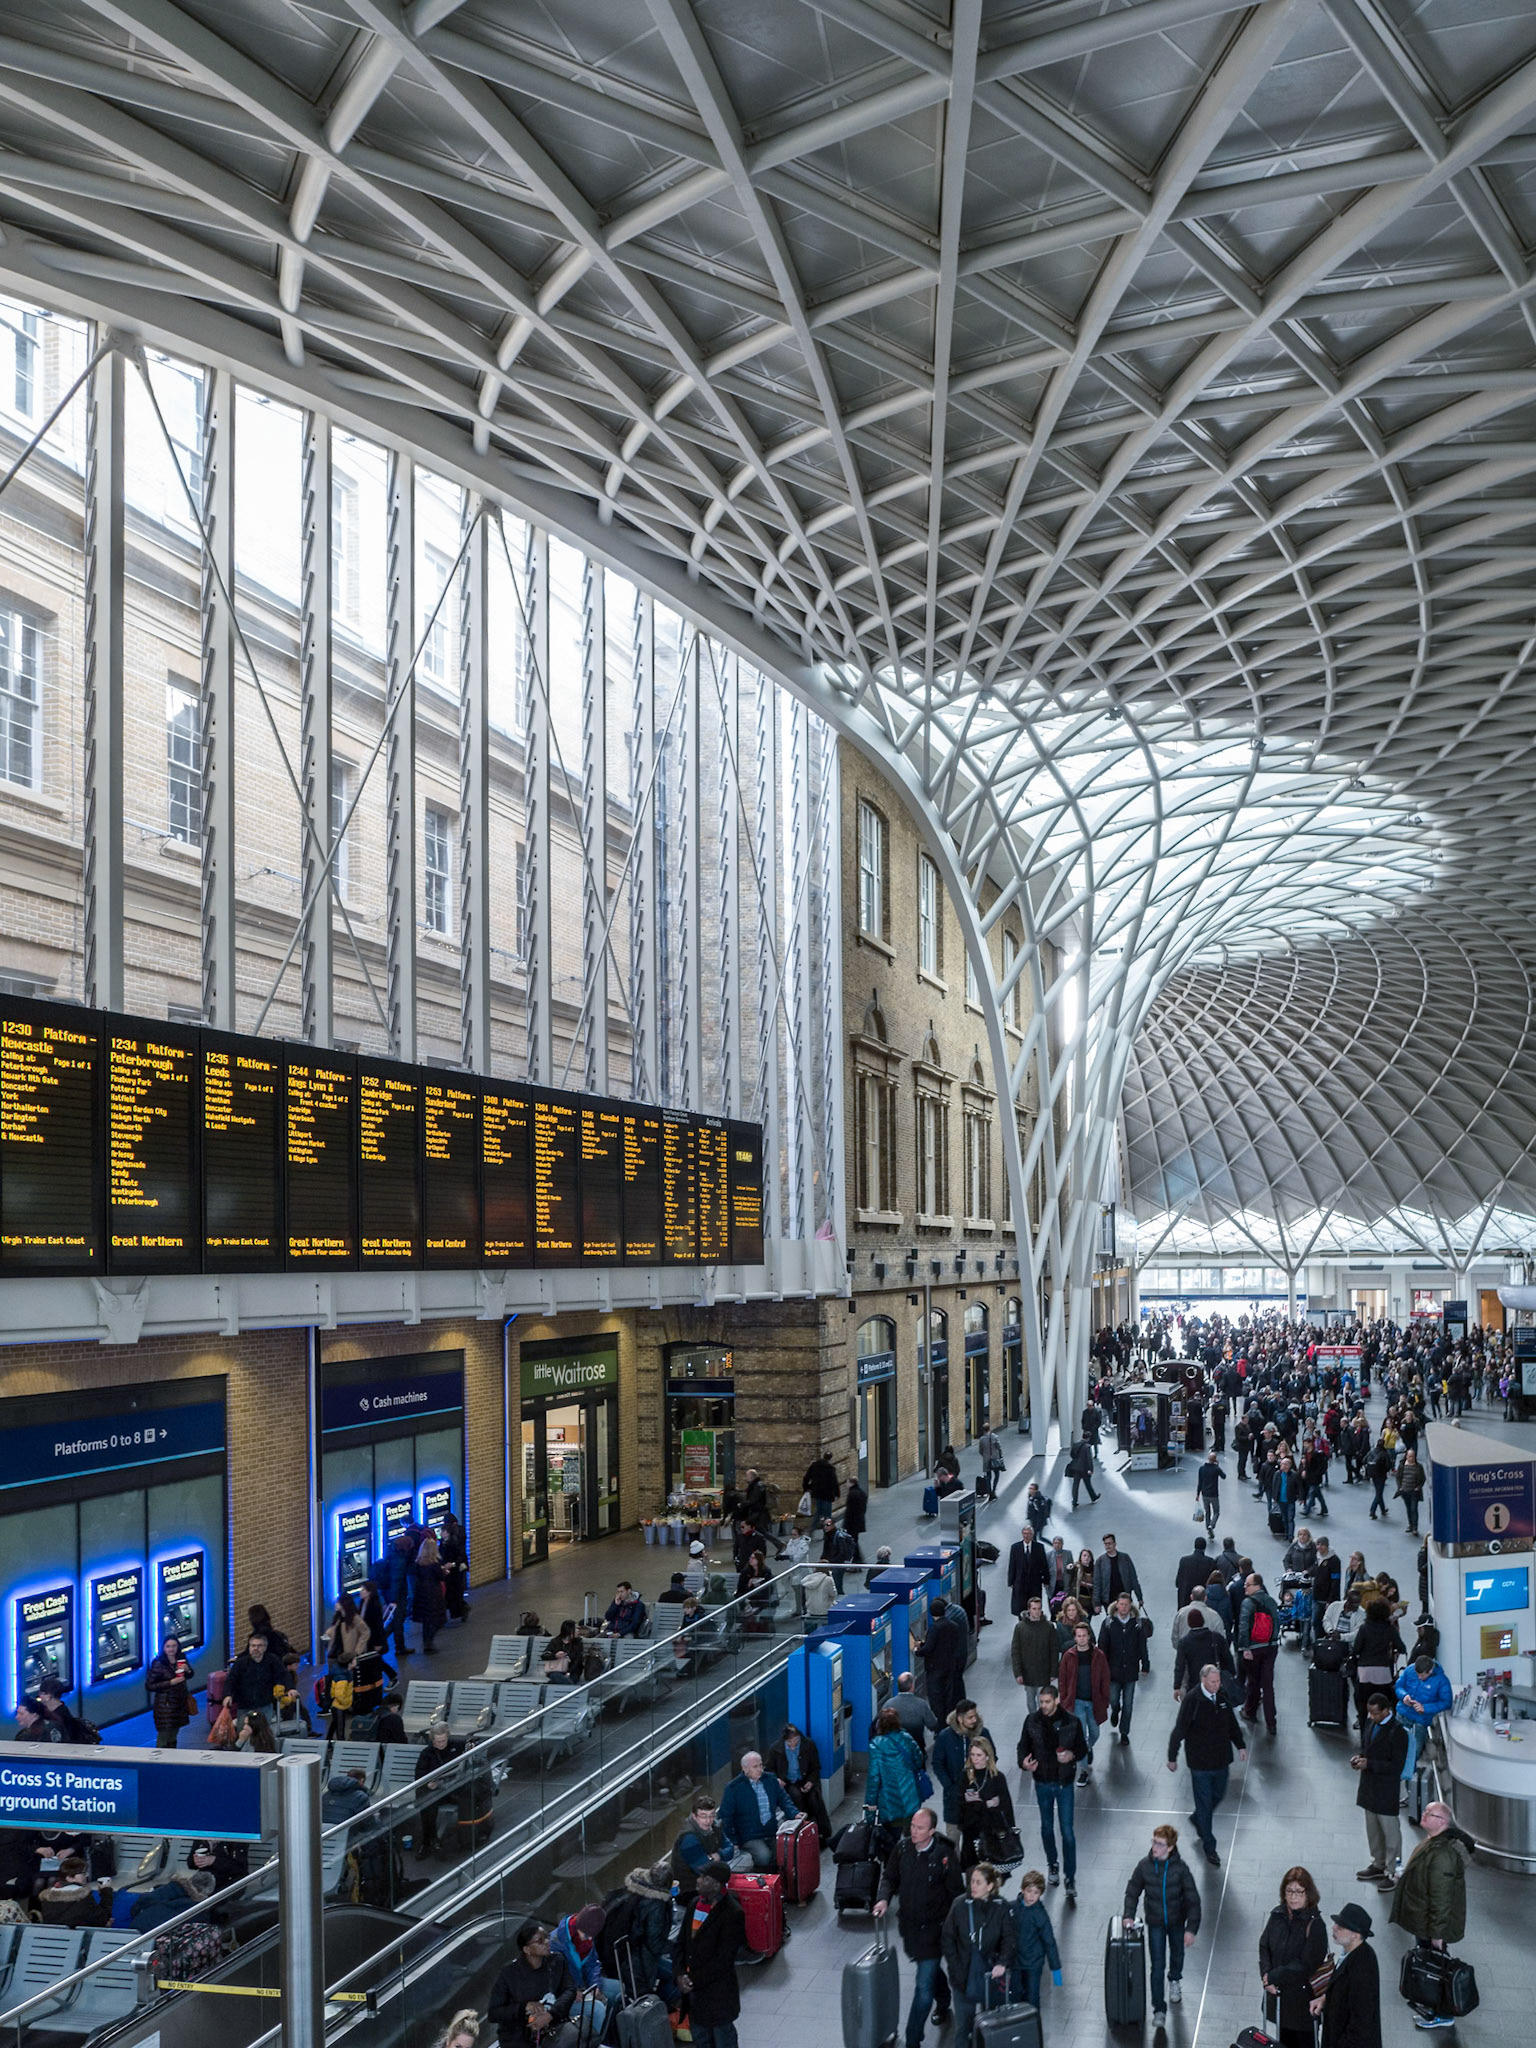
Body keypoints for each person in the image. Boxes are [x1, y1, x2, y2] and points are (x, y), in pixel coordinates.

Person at [874, 1808, 963, 2048]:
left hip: (935, 1931)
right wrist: (883, 1898)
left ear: (932, 1831)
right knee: (931, 1971)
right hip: (911, 1928)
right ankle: (944, 1999)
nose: (914, 1831)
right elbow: (890, 1877)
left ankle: (913, 2039)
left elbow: (957, 1894)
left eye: (920, 1828)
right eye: (913, 1825)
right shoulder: (902, 1849)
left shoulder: (944, 1856)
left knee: (923, 1988)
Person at [1388, 1802, 1472, 2021]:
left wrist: (1437, 1934)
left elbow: (1441, 1899)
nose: (1423, 1815)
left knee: (1438, 1968)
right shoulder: (1434, 1843)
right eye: (1425, 1811)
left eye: (1429, 1813)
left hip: (1431, 1924)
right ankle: (1435, 2007)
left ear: (1442, 1822)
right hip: (1424, 1919)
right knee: (1432, 1963)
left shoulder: (1443, 1854)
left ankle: (1443, 2013)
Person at [1166, 1662, 1247, 1867]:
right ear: (1203, 1680)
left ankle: (1198, 1818)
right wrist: (1172, 1756)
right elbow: (1180, 1728)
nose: (1217, 1685)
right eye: (1213, 1682)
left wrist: (1240, 1745)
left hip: (1221, 1760)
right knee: (1204, 1804)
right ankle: (1209, 1846)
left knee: (1218, 1795)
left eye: (1218, 1681)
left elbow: (1231, 1722)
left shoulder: (1222, 1696)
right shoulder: (1192, 1700)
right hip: (1200, 1764)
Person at [1123, 1824, 1201, 2025]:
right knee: (1157, 1965)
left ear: (1171, 1847)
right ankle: (1159, 2009)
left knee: (1177, 1955)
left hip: (1176, 1922)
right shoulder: (1144, 1866)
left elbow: (1193, 1900)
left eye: (1160, 1843)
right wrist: (1128, 1915)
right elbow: (1133, 1890)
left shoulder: (1181, 1870)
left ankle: (1175, 1978)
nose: (1155, 1847)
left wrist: (1191, 1928)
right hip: (1155, 1923)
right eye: (1154, 1842)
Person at [1017, 1681, 1086, 1899]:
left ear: (1057, 1700)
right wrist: (1023, 1762)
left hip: (1064, 1783)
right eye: (1041, 1702)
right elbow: (1023, 1746)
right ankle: (1052, 1864)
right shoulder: (1032, 1721)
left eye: (1047, 1702)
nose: (1043, 1706)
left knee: (1067, 1832)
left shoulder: (1071, 1723)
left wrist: (1071, 1756)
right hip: (1042, 1782)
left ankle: (1070, 1877)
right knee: (1046, 1827)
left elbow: (1082, 1748)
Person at [941, 1862, 1015, 2044]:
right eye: (972, 1881)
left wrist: (1002, 1962)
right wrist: (955, 1967)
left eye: (978, 1882)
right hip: (962, 1976)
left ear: (990, 1886)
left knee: (991, 2025)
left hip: (990, 1975)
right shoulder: (959, 1905)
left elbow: (1010, 1939)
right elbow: (947, 1938)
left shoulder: (1001, 1907)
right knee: (963, 2026)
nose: (973, 1886)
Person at [674, 1861, 745, 2048]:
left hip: (717, 1995)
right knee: (701, 2039)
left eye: (704, 1878)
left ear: (717, 1884)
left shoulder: (732, 1913)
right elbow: (681, 1943)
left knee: (723, 2039)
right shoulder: (693, 1905)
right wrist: (680, 1974)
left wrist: (692, 1981)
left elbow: (724, 1960)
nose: (698, 1881)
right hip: (694, 1995)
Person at [1260, 1867, 1329, 2048]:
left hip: (1302, 2003)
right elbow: (1264, 1946)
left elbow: (1306, 1964)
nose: (1293, 1897)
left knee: (1304, 2042)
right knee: (1282, 2040)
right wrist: (1267, 1976)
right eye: (1289, 1891)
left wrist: (1274, 1976)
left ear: (1308, 1894)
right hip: (1280, 1998)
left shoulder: (1315, 1925)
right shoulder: (1277, 1915)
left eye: (1299, 1891)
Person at [487, 1919, 578, 2048]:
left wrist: (550, 2014)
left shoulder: (557, 1960)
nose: (547, 1942)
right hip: (519, 2036)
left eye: (546, 1937)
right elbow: (494, 2013)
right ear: (527, 1949)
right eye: (540, 1941)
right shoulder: (508, 1974)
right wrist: (524, 2007)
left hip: (553, 2027)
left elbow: (570, 1990)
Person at [1350, 1692, 1408, 1891]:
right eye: (1369, 1713)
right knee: (1373, 1830)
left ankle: (1394, 1871)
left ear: (1386, 1710)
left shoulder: (1397, 1731)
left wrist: (1370, 1764)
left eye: (1375, 1713)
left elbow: (1396, 1766)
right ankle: (1379, 1863)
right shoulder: (1371, 1723)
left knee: (1392, 1835)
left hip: (1386, 1790)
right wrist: (1359, 1758)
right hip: (1369, 1788)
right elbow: (1367, 1749)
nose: (1371, 1717)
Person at [1311, 1903, 1382, 2048]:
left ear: (1356, 1935)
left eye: (1341, 1927)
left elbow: (1361, 2023)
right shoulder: (1353, 1953)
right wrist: (1325, 1999)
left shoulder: (1362, 1969)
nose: (1334, 1927)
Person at [550, 1906, 622, 2040]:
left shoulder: (585, 1939)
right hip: (564, 1995)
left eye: (591, 1936)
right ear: (578, 1926)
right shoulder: (556, 1943)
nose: (588, 1939)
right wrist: (572, 1992)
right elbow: (553, 1981)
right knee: (597, 2009)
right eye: (586, 1935)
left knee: (618, 1989)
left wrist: (595, 1985)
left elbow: (593, 1964)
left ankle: (606, 2035)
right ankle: (589, 2041)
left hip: (583, 1986)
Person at [718, 1751, 796, 1869]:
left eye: (761, 1765)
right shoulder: (733, 1788)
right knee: (764, 1856)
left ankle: (779, 1881)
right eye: (755, 1766)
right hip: (749, 1835)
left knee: (785, 1852)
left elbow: (783, 1799)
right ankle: (765, 1880)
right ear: (745, 1769)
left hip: (771, 1830)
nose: (760, 1769)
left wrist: (794, 1814)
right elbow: (726, 1817)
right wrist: (732, 1842)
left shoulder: (770, 1779)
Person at [1055, 1621, 1109, 1784]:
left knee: (1095, 1733)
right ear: (1075, 1637)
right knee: (1080, 1736)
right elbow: (1062, 1680)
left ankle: (1085, 1749)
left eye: (1084, 1636)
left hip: (1094, 1702)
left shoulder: (1098, 1655)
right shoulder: (1068, 1656)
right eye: (1078, 1636)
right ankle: (1083, 1771)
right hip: (1076, 1702)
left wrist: (1105, 1699)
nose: (1082, 1639)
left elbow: (1105, 1678)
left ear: (1089, 1637)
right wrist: (1064, 1700)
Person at [932, 1701, 989, 1846]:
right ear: (959, 1718)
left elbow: (992, 1757)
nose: (974, 1720)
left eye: (975, 1716)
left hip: (977, 1799)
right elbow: (937, 1763)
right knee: (952, 1842)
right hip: (954, 1801)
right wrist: (949, 1785)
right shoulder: (945, 1737)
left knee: (976, 1845)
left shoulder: (983, 1734)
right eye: (970, 1717)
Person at [766, 1720, 832, 1842]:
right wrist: (777, 1779)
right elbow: (769, 1769)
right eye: (789, 1742)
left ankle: (823, 1832)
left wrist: (811, 1781)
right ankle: (804, 1830)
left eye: (796, 1741)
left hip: (805, 1779)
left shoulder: (808, 1745)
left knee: (814, 1799)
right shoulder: (775, 1749)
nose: (793, 1745)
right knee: (796, 1797)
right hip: (788, 1782)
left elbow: (815, 1767)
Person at [957, 1735, 1015, 1870]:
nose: (975, 1759)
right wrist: (987, 1803)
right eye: (972, 1755)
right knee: (973, 1876)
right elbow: (960, 1803)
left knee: (991, 1876)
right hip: (971, 1832)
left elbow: (1006, 1805)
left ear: (987, 1755)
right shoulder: (965, 1776)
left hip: (992, 1834)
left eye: (979, 1755)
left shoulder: (997, 1777)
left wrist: (1010, 1831)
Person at [1009, 1870, 1063, 2009]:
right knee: (1014, 1996)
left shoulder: (1040, 1915)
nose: (1032, 1896)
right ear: (1022, 1890)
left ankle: (1032, 2027)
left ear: (1040, 1894)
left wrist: (1055, 1968)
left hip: (1033, 1963)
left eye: (1036, 1893)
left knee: (1032, 1998)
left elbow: (1049, 1941)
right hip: (1015, 1961)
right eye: (1029, 1891)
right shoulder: (1011, 1908)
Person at [867, 1704, 927, 1830]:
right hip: (910, 1795)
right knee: (911, 1834)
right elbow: (919, 1760)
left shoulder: (876, 1746)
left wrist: (870, 1806)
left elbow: (874, 1778)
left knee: (890, 1839)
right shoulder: (907, 1739)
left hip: (888, 1801)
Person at [671, 1797, 743, 1899]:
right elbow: (703, 1868)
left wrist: (718, 1855)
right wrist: (717, 1858)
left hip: (709, 1881)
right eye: (703, 1816)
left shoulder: (715, 1826)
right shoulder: (689, 1838)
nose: (708, 1821)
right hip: (690, 1889)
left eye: (711, 1816)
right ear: (694, 1816)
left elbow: (731, 1849)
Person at [1395, 1654, 1452, 1782]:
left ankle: (1410, 1789)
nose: (1419, 1677)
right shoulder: (1410, 1670)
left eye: (1422, 1675)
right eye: (1417, 1674)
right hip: (1402, 1715)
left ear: (1430, 1671)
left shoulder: (1441, 1681)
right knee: (1395, 1750)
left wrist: (1425, 1708)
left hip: (1420, 1723)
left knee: (1412, 1756)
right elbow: (1399, 1686)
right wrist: (1404, 1696)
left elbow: (1446, 1702)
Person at [1238, 1572, 1283, 1734]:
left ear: (1257, 1585)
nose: (1245, 1587)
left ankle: (1250, 1711)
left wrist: (1245, 1648)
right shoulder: (1271, 1601)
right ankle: (1271, 1722)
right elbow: (1277, 1623)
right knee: (1268, 1685)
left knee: (1253, 1681)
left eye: (1248, 1585)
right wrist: (1273, 1641)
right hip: (1271, 1647)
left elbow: (1243, 1627)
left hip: (1254, 1648)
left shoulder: (1248, 1603)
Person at [1099, 1592, 1146, 1745]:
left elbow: (1142, 1645)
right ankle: (1115, 1710)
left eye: (1127, 1605)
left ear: (1130, 1606)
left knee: (1129, 1704)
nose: (1124, 1607)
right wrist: (1102, 1667)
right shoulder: (1108, 1623)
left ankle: (1124, 1732)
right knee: (1113, 1699)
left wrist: (1145, 1664)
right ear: (1117, 1605)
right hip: (1113, 1670)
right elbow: (1102, 1646)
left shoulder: (1137, 1624)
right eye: (1121, 1604)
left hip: (1131, 1671)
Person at [919, 1596, 967, 1722]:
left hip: (935, 1668)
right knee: (948, 1696)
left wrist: (917, 1650)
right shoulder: (953, 1625)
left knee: (936, 1697)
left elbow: (929, 1648)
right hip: (949, 1666)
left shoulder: (935, 1628)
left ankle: (940, 1724)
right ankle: (949, 1719)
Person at [225, 1631, 288, 1724]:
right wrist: (228, 1695)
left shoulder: (273, 1661)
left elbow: (283, 1675)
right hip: (244, 1704)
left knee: (264, 1730)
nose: (256, 1648)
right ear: (249, 1647)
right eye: (253, 1646)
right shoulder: (240, 1663)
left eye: (259, 1646)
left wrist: (290, 1689)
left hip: (264, 1703)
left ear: (265, 1647)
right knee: (243, 1729)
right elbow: (231, 1680)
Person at [1010, 1594, 1059, 1714]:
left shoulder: (1048, 1627)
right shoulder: (1020, 1628)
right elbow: (1015, 1651)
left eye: (1039, 1608)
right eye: (1034, 1609)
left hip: (1043, 1673)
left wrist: (1053, 1671)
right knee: (1030, 1703)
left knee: (1043, 1702)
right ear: (1029, 1610)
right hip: (1028, 1673)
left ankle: (1042, 1725)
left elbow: (1054, 1650)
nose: (1037, 1611)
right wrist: (1018, 1673)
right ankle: (1035, 1724)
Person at [1172, 1608, 1233, 1700]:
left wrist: (1177, 1686)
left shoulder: (1184, 1642)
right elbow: (1227, 1657)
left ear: (1189, 1623)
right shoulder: (1216, 1637)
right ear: (1203, 1621)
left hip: (1194, 1681)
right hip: (1215, 1681)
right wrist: (1232, 1674)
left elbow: (1179, 1665)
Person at [145, 1637, 193, 1750]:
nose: (171, 1649)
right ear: (163, 1648)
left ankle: (171, 1758)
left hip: (179, 1703)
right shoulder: (158, 1663)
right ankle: (160, 1762)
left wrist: (188, 1670)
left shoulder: (181, 1659)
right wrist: (170, 1682)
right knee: (164, 1735)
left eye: (174, 1646)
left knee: (174, 1734)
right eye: (168, 1646)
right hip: (165, 1705)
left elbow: (190, 1675)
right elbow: (150, 1685)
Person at [887, 1670, 940, 1756]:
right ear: (912, 1686)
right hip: (917, 1748)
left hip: (895, 1750)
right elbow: (933, 1724)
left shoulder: (889, 1704)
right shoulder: (921, 1704)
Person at [413, 1534, 447, 1653]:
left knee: (426, 1621)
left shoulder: (418, 1562)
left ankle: (426, 1643)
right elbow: (440, 1577)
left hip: (421, 1592)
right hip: (433, 1592)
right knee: (439, 1619)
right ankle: (429, 1641)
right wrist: (444, 1571)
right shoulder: (435, 1563)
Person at [1093, 1534, 1144, 1610]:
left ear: (1115, 1544)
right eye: (1105, 1544)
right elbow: (1097, 1583)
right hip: (1108, 1599)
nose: (1108, 1546)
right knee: (1111, 1620)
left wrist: (1139, 1597)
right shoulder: (1100, 1561)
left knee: (1126, 1620)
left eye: (1109, 1543)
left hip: (1125, 1597)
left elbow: (1133, 1578)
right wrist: (1097, 1603)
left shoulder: (1125, 1558)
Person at [1007, 1527, 1050, 1615]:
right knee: (1020, 1607)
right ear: (1022, 1534)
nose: (1026, 1536)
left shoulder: (1039, 1547)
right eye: (1025, 1533)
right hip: (1020, 1583)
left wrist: (1046, 1580)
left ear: (1032, 1535)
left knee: (1034, 1605)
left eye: (1029, 1534)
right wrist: (1011, 1581)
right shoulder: (1015, 1547)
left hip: (1034, 1583)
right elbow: (1012, 1565)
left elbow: (1044, 1565)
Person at [802, 1451, 841, 1526]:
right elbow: (834, 1483)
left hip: (817, 1493)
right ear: (830, 1459)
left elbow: (806, 1477)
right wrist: (837, 1494)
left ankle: (811, 1529)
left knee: (819, 1512)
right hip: (827, 1494)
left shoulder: (815, 1465)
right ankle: (827, 1531)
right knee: (828, 1515)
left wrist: (806, 1488)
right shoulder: (830, 1469)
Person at [1394, 1449, 1426, 1536]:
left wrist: (1418, 1487)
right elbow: (1398, 1477)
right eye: (1409, 1456)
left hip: (1414, 1492)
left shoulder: (1418, 1467)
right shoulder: (1402, 1466)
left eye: (1413, 1456)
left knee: (1414, 1509)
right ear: (1406, 1456)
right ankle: (1410, 1525)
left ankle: (1415, 1527)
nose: (1411, 1458)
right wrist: (1400, 1487)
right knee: (1408, 1509)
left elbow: (1423, 1479)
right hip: (1405, 1491)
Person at [1194, 1451, 1227, 1533]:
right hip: (1214, 1494)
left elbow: (1200, 1482)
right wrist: (1218, 1466)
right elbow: (1224, 1476)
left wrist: (1197, 1494)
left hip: (1204, 1494)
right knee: (1216, 1511)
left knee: (1207, 1512)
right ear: (1215, 1460)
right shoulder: (1216, 1469)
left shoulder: (1201, 1469)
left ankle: (1208, 1527)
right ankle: (1211, 1525)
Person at [1174, 1537, 1211, 1608]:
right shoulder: (1210, 1562)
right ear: (1205, 1548)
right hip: (1201, 1601)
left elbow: (1178, 1582)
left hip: (1185, 1601)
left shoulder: (1184, 1560)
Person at [1065, 1438, 1099, 1509]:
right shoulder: (1087, 1447)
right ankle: (1093, 1497)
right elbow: (1089, 1459)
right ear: (1088, 1438)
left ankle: (1074, 1501)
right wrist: (1091, 1469)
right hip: (1084, 1468)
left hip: (1075, 1467)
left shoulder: (1075, 1444)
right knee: (1088, 1484)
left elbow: (1072, 1455)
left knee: (1075, 1485)